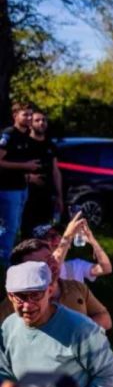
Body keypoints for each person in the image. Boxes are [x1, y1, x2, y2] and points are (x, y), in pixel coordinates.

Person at [0, 261, 113, 387]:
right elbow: (4, 373)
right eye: (20, 296)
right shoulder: (9, 326)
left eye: (36, 295)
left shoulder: (80, 328)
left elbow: (109, 375)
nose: (27, 305)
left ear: (50, 291)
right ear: (10, 296)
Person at [1, 238, 113, 331]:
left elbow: (105, 317)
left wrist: (80, 331)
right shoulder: (14, 303)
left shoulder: (77, 287)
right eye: (42, 264)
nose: (53, 264)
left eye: (51, 258)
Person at [0, 102, 41, 265]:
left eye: (31, 114)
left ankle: (8, 258)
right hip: (8, 188)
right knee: (9, 227)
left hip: (22, 187)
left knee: (15, 226)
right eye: (25, 114)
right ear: (15, 116)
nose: (29, 118)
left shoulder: (26, 136)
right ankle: (5, 263)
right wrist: (25, 166)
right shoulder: (9, 134)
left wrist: (28, 175)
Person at [22, 109, 61, 238]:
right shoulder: (24, 143)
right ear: (30, 123)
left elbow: (55, 171)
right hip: (27, 194)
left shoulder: (50, 145)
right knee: (27, 231)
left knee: (44, 231)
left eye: (44, 120)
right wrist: (28, 177)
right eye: (37, 120)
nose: (41, 123)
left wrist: (59, 196)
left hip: (47, 195)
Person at [33, 222, 112, 283]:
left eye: (58, 234)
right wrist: (67, 239)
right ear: (39, 244)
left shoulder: (75, 265)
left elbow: (106, 269)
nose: (58, 239)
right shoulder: (38, 270)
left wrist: (93, 241)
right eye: (50, 237)